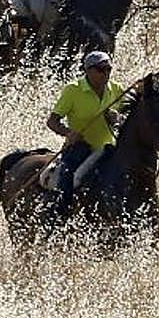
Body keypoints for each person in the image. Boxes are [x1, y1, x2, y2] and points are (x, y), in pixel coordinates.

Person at [46, 50, 126, 218]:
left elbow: (128, 118)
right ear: (88, 70)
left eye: (109, 69)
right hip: (79, 148)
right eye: (101, 69)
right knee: (68, 179)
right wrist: (69, 133)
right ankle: (58, 217)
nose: (106, 74)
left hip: (108, 149)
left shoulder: (116, 89)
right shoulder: (73, 90)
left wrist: (118, 118)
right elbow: (52, 121)